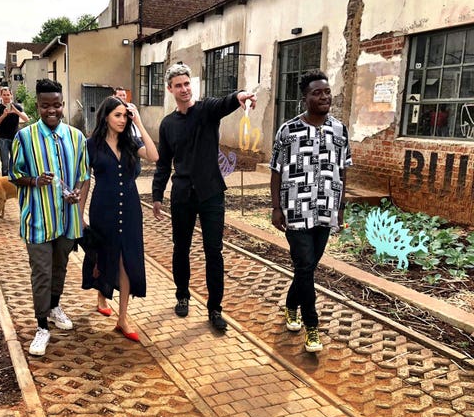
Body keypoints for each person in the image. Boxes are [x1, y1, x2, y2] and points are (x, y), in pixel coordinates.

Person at [151, 62, 257, 332]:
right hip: (182, 194)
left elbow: (225, 102)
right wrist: (156, 195)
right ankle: (182, 295)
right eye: (178, 85)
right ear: (170, 89)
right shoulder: (168, 125)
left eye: (187, 84)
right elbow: (163, 163)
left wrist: (241, 96)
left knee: (214, 251)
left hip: (211, 192)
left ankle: (215, 309)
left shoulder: (206, 111)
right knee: (181, 247)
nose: (184, 89)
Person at [270, 69, 352, 353]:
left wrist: (341, 208)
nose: (324, 97)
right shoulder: (288, 130)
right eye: (317, 93)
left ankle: (291, 305)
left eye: (327, 92)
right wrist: (276, 208)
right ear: (304, 98)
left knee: (307, 268)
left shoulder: (339, 130)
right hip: (295, 210)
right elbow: (276, 171)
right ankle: (312, 326)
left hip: (326, 209)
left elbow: (343, 169)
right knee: (305, 266)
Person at [9, 78, 89, 356]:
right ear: (37, 106)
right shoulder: (25, 137)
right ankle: (42, 326)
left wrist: (76, 195)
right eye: (45, 106)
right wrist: (34, 181)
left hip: (66, 220)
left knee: (59, 269)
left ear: (63, 104)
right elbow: (14, 175)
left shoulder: (77, 138)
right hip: (38, 221)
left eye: (56, 105)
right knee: (41, 273)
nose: (51, 110)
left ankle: (54, 307)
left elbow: (83, 176)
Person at [79, 96, 158, 342]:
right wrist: (79, 214)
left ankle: (122, 317)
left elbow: (155, 156)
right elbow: (84, 181)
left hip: (131, 208)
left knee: (126, 259)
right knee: (102, 254)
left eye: (125, 116)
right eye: (118, 115)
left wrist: (140, 124)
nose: (122, 120)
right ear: (106, 117)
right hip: (103, 207)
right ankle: (101, 295)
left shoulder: (131, 142)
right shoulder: (91, 145)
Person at [0, 87, 29, 176]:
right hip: (3, 138)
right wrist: (4, 115)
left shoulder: (17, 107)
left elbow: (26, 119)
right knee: (5, 163)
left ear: (11, 95)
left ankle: (15, 182)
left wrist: (16, 112)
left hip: (15, 138)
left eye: (8, 95)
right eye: (4, 95)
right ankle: (4, 182)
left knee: (16, 162)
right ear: (1, 96)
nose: (6, 97)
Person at [114, 86, 142, 177]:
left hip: (135, 139)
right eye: (120, 95)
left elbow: (138, 122)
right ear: (114, 96)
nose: (123, 97)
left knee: (137, 167)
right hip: (123, 140)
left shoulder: (132, 107)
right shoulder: (112, 109)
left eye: (124, 95)